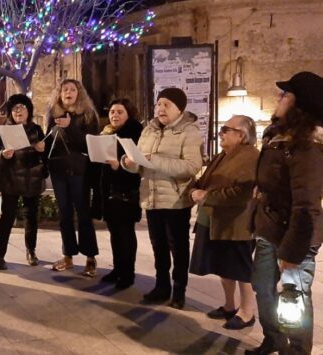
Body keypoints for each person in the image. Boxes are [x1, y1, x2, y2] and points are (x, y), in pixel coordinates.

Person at [247, 71, 323, 355]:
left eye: (285, 95)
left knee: (294, 296)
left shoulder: (308, 145)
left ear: (299, 104)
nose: (278, 98)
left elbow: (307, 204)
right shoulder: (278, 136)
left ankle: (296, 350)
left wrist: (292, 251)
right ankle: (273, 339)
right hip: (269, 227)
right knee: (262, 286)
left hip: (295, 234)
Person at [122, 87, 202, 309]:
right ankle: (161, 285)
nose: (160, 108)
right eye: (159, 104)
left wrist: (153, 160)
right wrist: (129, 163)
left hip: (176, 200)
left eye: (166, 104)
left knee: (178, 246)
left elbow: (192, 166)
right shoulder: (149, 130)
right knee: (158, 245)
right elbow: (140, 161)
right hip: (152, 196)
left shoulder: (189, 131)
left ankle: (179, 290)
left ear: (179, 109)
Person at [188, 115, 259, 330]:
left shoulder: (250, 156)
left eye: (226, 129)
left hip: (236, 224)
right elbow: (207, 181)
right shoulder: (225, 154)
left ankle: (247, 313)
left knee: (240, 270)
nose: (221, 133)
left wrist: (206, 196)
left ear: (242, 135)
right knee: (223, 267)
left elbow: (242, 192)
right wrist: (194, 188)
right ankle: (230, 306)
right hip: (215, 220)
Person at [45, 79, 100, 276]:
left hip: (80, 171)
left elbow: (89, 144)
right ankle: (68, 255)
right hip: (58, 170)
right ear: (59, 94)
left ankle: (90, 257)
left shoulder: (88, 115)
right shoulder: (52, 114)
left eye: (72, 90)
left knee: (83, 213)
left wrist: (70, 127)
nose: (68, 92)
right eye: (64, 90)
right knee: (64, 214)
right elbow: (50, 140)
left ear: (79, 93)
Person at [0, 94, 47, 270]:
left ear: (29, 111)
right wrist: (3, 155)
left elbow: (46, 154)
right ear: (10, 112)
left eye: (22, 107)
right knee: (7, 217)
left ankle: (31, 251)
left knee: (31, 217)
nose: (18, 111)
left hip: (32, 178)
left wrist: (42, 149)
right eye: (15, 108)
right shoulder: (5, 130)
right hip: (11, 179)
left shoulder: (36, 130)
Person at [92, 98, 143, 289]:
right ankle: (118, 269)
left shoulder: (134, 133)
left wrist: (118, 166)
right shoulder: (107, 132)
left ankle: (128, 274)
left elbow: (138, 164)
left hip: (127, 191)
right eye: (112, 111)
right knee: (114, 232)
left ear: (128, 114)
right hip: (109, 190)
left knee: (125, 233)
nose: (114, 115)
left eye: (120, 112)